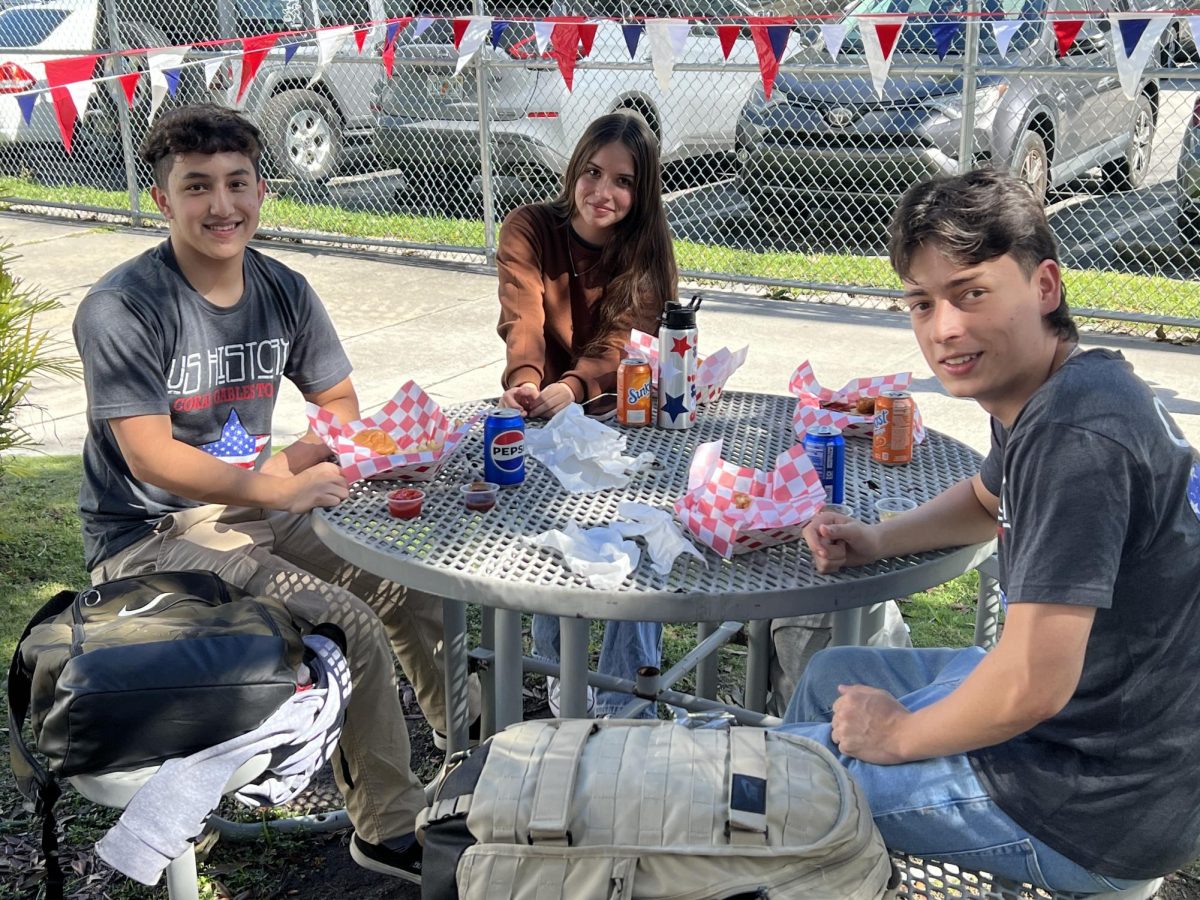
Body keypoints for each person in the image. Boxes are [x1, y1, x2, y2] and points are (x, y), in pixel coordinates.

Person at [780, 169, 1200, 892]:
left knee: (789, 789)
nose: (944, 329)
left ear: (1043, 286)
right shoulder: (1060, 385)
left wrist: (899, 736)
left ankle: (799, 852)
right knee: (830, 676)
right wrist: (878, 537)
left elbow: (1033, 682)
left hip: (1094, 801)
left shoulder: (1079, 435)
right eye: (922, 302)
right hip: (1101, 737)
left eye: (971, 292)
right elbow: (984, 499)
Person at [72, 104, 444, 881]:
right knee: (346, 621)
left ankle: (459, 752)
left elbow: (338, 401)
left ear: (262, 190)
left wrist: (289, 467)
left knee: (406, 588)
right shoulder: (122, 306)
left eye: (237, 182)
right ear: (164, 200)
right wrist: (277, 482)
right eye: (197, 186)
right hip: (149, 536)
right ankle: (390, 830)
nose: (222, 205)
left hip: (250, 506)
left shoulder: (283, 288)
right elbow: (150, 457)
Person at [495, 111, 677, 717]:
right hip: (544, 421)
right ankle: (562, 685)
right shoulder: (529, 228)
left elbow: (627, 342)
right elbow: (520, 318)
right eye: (593, 173)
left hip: (627, 417)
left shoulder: (648, 247)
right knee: (548, 550)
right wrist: (524, 383)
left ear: (641, 191)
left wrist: (572, 386)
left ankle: (632, 705)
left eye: (623, 181)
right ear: (574, 170)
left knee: (642, 542)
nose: (604, 192)